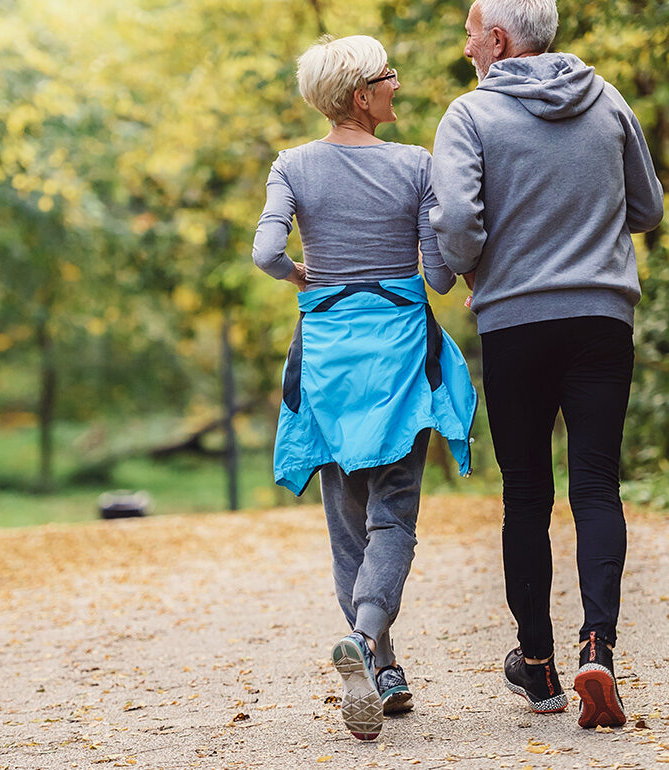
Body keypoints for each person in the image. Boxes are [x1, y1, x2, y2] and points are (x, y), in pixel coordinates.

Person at [430, 0, 664, 729]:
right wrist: (583, 228)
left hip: (517, 322)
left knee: (527, 494)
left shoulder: (469, 117)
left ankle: (537, 667)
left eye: (471, 33)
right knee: (597, 486)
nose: (467, 46)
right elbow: (647, 206)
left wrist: (474, 269)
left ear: (497, 40)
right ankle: (600, 646)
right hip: (602, 319)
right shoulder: (610, 99)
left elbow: (459, 226)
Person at [252, 34, 477, 742]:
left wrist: (300, 277)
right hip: (399, 357)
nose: (397, 83)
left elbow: (265, 253)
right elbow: (439, 277)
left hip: (325, 360)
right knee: (395, 514)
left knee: (347, 521)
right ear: (361, 95)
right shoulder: (415, 166)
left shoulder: (292, 166)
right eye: (387, 76)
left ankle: (379, 665)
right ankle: (370, 635)